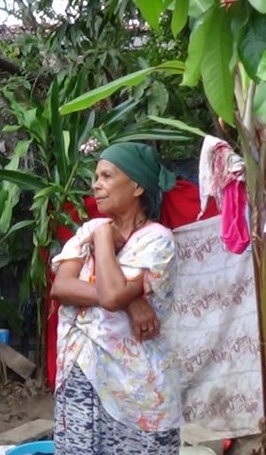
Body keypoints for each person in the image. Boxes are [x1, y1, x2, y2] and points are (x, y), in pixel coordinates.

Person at [50, 142, 181, 454]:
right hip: (81, 374)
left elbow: (111, 295)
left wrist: (102, 241)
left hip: (136, 386)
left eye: (107, 176)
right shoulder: (91, 227)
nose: (97, 184)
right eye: (96, 176)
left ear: (136, 186)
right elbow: (62, 287)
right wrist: (132, 301)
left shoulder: (157, 239)